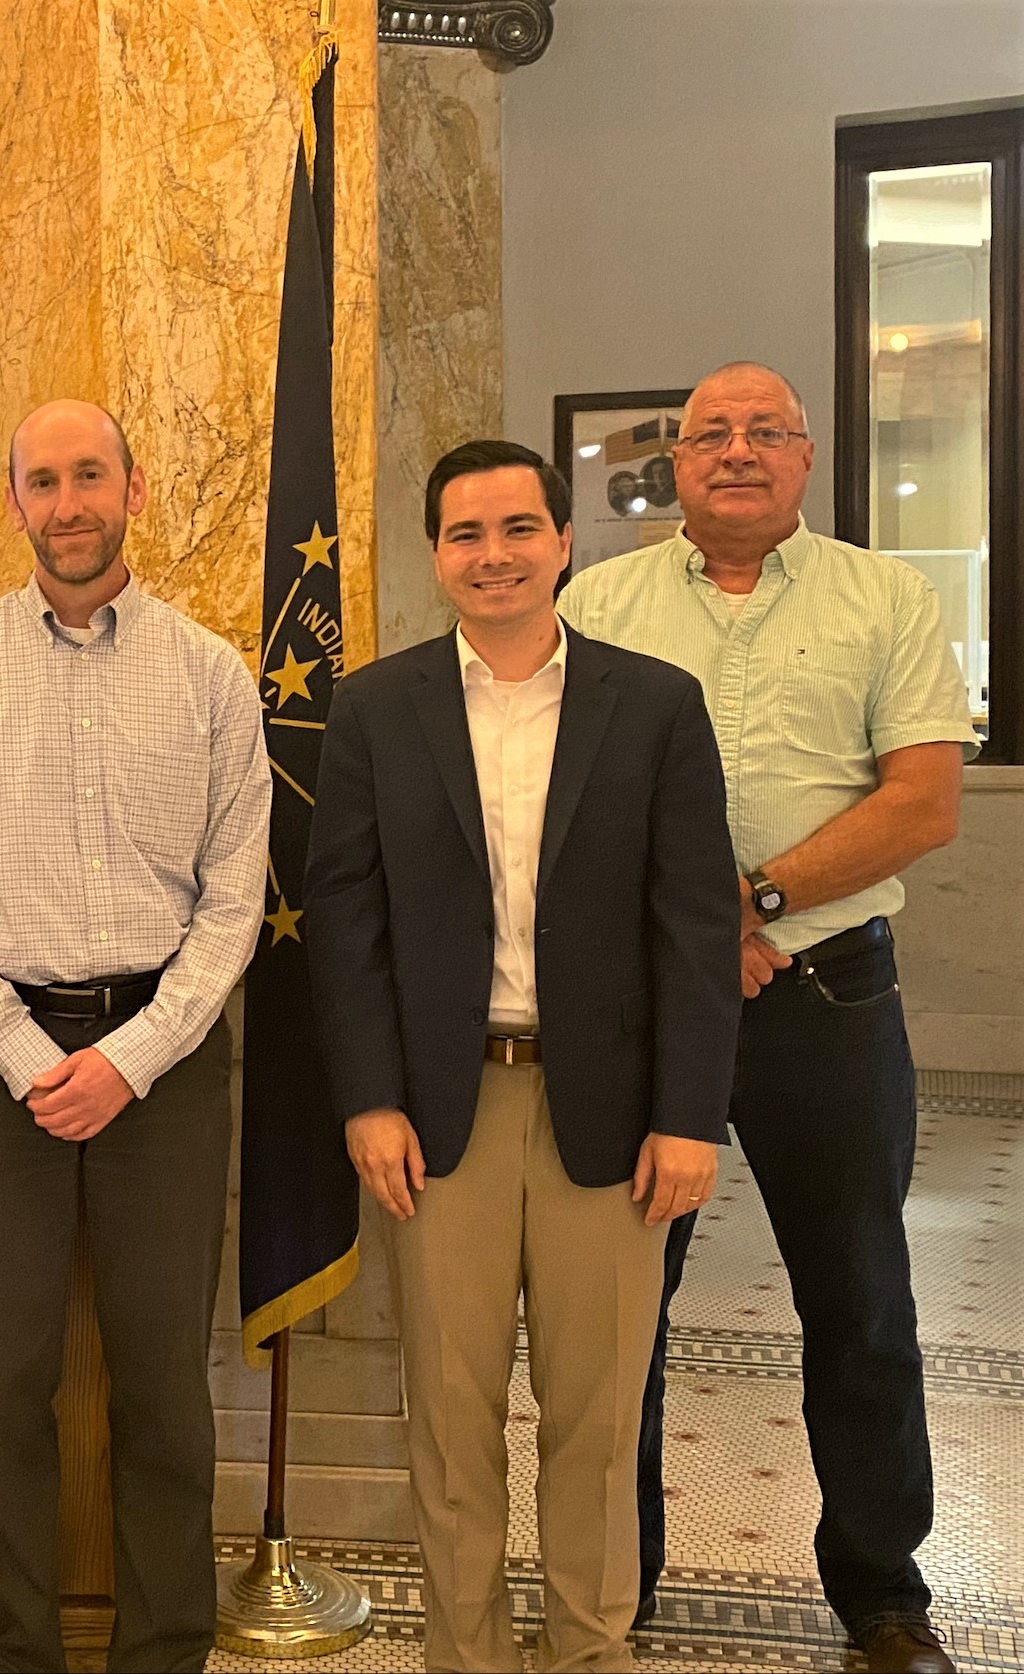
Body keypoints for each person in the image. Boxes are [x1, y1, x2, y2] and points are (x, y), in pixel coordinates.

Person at [562, 362, 977, 1674]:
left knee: (860, 1301)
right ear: (673, 466)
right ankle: (612, 1586)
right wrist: (692, 935)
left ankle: (883, 1597)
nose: (736, 450)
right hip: (644, 1005)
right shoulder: (597, 605)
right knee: (621, 1310)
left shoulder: (886, 598)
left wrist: (751, 903)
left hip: (825, 990)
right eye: (710, 434)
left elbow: (922, 800)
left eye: (764, 431)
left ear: (804, 456)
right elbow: (565, 798)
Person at [306, 441, 739, 1672]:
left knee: (598, 1426)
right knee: (451, 1424)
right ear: (436, 554)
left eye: (515, 529)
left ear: (562, 542)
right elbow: (345, 920)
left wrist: (690, 1116)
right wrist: (369, 1100)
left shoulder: (654, 705)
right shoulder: (376, 709)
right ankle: (470, 1657)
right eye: (465, 533)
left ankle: (591, 1653)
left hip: (613, 1116)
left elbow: (695, 925)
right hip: (444, 1117)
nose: (491, 555)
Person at [0, 399, 271, 1673]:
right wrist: (26, 1056)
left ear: (134, 489)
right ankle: (17, 1656)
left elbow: (234, 902)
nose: (69, 504)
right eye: (43, 481)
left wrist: (131, 1058)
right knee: (2, 1384)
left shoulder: (210, 675)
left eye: (90, 475)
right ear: (14, 502)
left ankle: (164, 1652)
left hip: (164, 1064)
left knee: (163, 1383)